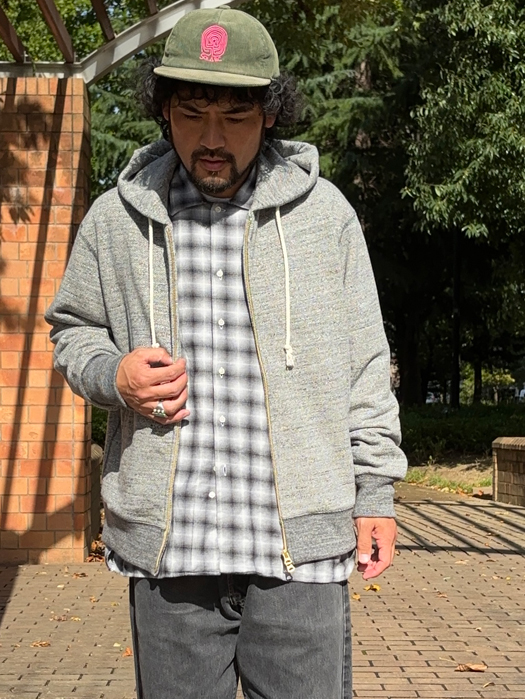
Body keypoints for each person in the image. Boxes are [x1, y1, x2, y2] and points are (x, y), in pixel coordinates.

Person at [45, 7, 407, 698]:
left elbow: (365, 364)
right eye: (192, 113)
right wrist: (113, 375)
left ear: (269, 114)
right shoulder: (117, 220)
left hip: (299, 557)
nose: (212, 139)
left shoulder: (325, 216)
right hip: (171, 555)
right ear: (163, 109)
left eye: (235, 116)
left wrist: (375, 492)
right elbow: (73, 329)